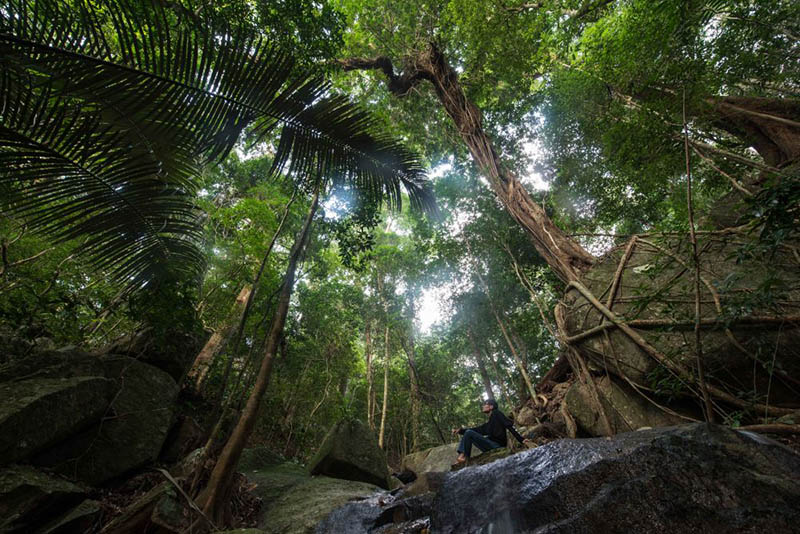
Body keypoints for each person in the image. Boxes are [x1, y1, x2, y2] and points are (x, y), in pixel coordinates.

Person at [452, 398, 531, 464]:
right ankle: (464, 458)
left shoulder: (497, 413)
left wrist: (522, 440)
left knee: (469, 433)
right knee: (469, 433)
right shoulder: (489, 423)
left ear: (491, 407)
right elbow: (477, 430)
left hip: (497, 445)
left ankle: (463, 456)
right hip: (490, 445)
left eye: (485, 404)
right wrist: (460, 431)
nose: (483, 406)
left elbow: (509, 426)